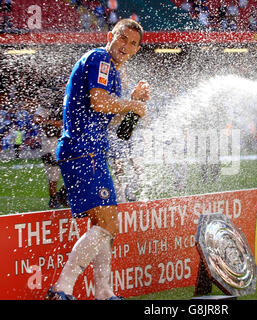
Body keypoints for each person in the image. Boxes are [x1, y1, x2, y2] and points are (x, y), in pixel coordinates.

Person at [45, 19, 149, 300]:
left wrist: (132, 102)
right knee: (108, 225)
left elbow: (111, 118)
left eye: (133, 44)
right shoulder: (100, 58)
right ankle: (62, 289)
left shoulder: (111, 70)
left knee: (104, 227)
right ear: (110, 36)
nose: (126, 47)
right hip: (83, 151)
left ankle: (103, 292)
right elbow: (99, 102)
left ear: (138, 49)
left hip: (89, 151)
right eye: (122, 39)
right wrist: (133, 104)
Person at [33, 77, 68, 209]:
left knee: (73, 167)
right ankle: (54, 198)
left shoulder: (71, 102)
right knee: (53, 170)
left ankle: (63, 193)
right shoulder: (48, 103)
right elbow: (36, 118)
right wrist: (53, 123)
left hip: (65, 140)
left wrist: (51, 123)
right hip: (51, 140)